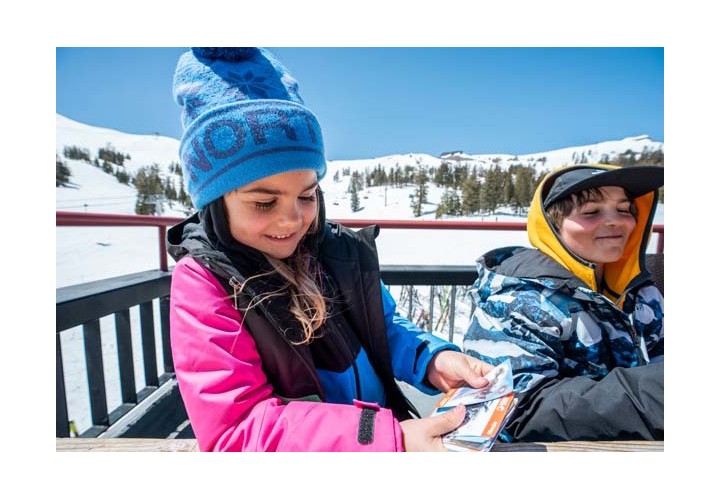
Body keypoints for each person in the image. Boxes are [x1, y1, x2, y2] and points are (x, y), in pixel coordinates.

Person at [166, 47, 494, 452]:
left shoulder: (336, 253)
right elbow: (236, 426)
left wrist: (432, 360)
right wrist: (385, 441)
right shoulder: (205, 282)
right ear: (215, 203)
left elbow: (386, 329)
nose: (292, 220)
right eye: (264, 203)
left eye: (307, 196)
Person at [463, 163, 664, 442]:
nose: (616, 221)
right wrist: (652, 394)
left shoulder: (641, 294)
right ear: (553, 227)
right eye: (592, 212)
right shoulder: (520, 301)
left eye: (624, 209)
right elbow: (514, 408)